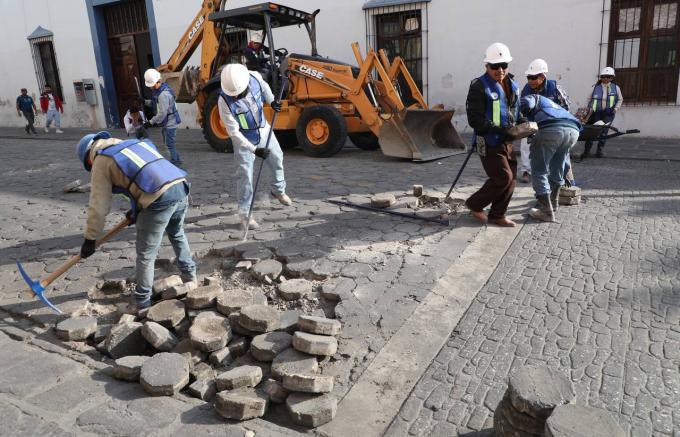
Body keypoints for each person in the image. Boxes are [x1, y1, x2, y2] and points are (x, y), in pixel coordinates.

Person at [75, 131, 196, 312]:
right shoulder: (134, 144)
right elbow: (146, 173)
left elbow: (98, 206)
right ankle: (190, 277)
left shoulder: (101, 161)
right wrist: (137, 209)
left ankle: (142, 302)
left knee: (146, 254)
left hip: (158, 198)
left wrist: (90, 239)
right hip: (180, 186)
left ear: (88, 159)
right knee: (177, 233)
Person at [217, 63, 291, 230]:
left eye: (238, 94)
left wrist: (272, 101)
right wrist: (254, 150)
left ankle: (278, 190)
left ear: (246, 85)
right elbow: (233, 133)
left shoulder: (255, 78)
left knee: (277, 158)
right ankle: (245, 214)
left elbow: (265, 88)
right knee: (244, 176)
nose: (235, 97)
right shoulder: (223, 101)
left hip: (265, 131)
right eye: (232, 95)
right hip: (244, 140)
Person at [465, 42, 522, 228]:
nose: (500, 70)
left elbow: (513, 111)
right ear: (486, 66)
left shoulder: (512, 85)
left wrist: (525, 123)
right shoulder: (479, 87)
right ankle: (475, 204)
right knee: (502, 177)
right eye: (495, 66)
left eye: (503, 65)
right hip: (488, 140)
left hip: (507, 140)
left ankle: (498, 215)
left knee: (512, 178)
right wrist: (499, 129)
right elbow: (475, 120)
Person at [520, 94, 581, 222]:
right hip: (573, 130)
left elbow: (526, 104)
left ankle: (546, 212)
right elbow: (565, 162)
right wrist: (565, 173)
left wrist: (518, 116)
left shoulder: (533, 97)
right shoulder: (555, 106)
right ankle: (554, 204)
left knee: (539, 170)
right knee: (558, 166)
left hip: (551, 129)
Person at [519, 59, 572, 184]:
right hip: (533, 122)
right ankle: (526, 171)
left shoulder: (555, 89)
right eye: (528, 77)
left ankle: (564, 175)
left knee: (561, 149)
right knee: (525, 145)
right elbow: (521, 107)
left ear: (542, 76)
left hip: (553, 124)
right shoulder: (526, 89)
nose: (530, 81)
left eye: (533, 77)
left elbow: (566, 107)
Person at [143, 68, 183, 167]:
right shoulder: (161, 90)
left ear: (156, 82)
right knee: (169, 144)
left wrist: (150, 122)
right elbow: (155, 104)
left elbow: (162, 113)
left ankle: (176, 163)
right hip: (168, 122)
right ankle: (177, 160)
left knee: (169, 144)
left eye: (151, 85)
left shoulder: (163, 95)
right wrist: (144, 101)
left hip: (170, 123)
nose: (150, 88)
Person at [581, 67, 623, 159]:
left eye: (608, 77)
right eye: (604, 77)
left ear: (612, 78)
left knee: (604, 132)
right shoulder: (596, 87)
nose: (606, 79)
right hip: (596, 113)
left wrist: (615, 109)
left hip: (608, 114)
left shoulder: (616, 88)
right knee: (591, 132)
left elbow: (620, 99)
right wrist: (588, 110)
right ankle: (586, 151)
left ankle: (599, 151)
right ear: (601, 77)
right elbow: (588, 99)